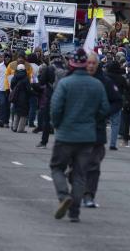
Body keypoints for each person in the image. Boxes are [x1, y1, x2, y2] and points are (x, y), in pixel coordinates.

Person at [49, 49, 110, 223]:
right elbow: (105, 109)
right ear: (85, 64)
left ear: (72, 64)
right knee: (80, 174)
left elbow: (55, 108)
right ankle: (74, 211)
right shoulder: (96, 85)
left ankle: (63, 196)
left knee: (57, 167)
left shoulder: (65, 83)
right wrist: (92, 120)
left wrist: (58, 124)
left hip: (66, 135)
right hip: (88, 137)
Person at [82, 52, 121, 208]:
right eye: (88, 63)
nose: (91, 66)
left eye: (93, 63)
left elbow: (118, 101)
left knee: (93, 164)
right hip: (77, 129)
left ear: (97, 64)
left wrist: (104, 112)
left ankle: (89, 195)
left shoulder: (105, 81)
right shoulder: (77, 79)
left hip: (96, 130)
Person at [9, 63, 33, 133]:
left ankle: (15, 127)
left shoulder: (15, 77)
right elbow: (28, 89)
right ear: (24, 69)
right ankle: (20, 129)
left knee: (17, 112)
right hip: (24, 97)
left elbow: (12, 86)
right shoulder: (26, 78)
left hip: (16, 97)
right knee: (24, 114)